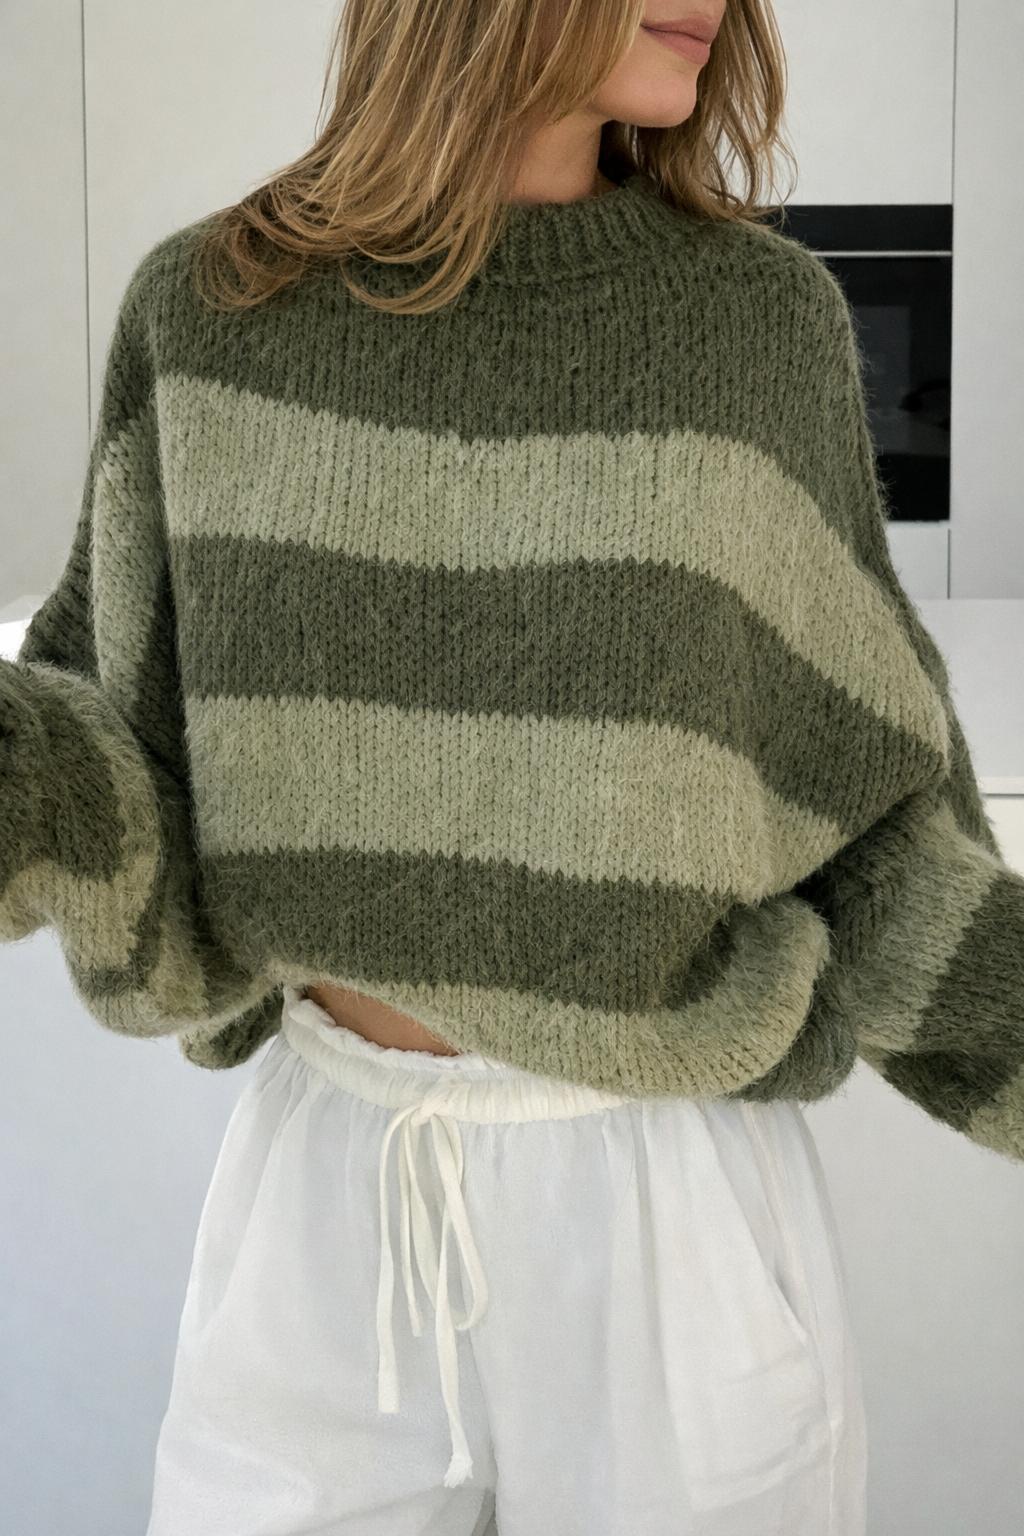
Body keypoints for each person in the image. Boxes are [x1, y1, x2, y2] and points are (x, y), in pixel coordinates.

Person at [2, 1, 1021, 1532]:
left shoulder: (753, 322)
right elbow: (114, 769)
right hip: (327, 1194)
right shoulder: (212, 311)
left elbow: (869, 821)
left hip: (663, 1215)